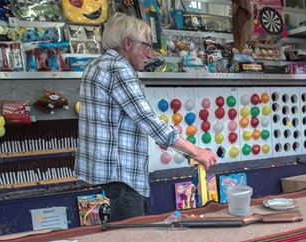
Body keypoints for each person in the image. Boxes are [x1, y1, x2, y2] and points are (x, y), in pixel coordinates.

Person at [75, 13, 217, 222]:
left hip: (110, 169)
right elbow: (147, 119)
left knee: (143, 225)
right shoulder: (118, 68)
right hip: (121, 170)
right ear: (128, 43)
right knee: (133, 237)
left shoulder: (97, 64)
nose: (149, 54)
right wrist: (196, 150)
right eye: (146, 46)